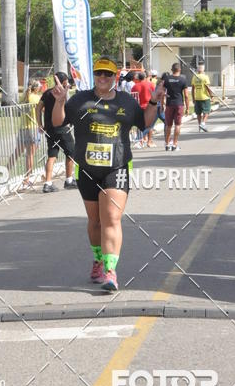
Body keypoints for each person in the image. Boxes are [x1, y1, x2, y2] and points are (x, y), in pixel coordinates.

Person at [51, 57, 161, 293]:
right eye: (99, 73)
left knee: (111, 218)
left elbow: (144, 123)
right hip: (86, 169)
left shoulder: (126, 102)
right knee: (95, 221)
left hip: (117, 167)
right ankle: (98, 259)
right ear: (94, 75)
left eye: (108, 74)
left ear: (115, 77)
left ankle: (111, 272)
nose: (103, 77)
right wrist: (60, 102)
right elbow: (58, 123)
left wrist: (153, 100)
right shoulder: (81, 100)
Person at [37, 72, 76, 193]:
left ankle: (48, 183)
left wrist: (40, 124)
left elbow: (38, 108)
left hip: (49, 128)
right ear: (63, 81)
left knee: (52, 155)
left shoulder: (47, 93)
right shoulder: (63, 93)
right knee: (71, 153)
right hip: (62, 127)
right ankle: (69, 180)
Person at [8, 80, 42, 184]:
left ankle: (6, 172)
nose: (40, 88)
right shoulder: (37, 98)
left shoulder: (23, 97)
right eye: (39, 87)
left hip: (22, 127)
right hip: (33, 128)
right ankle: (27, 178)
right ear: (36, 88)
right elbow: (43, 110)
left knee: (17, 152)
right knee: (30, 154)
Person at [158, 62, 190, 151]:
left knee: (168, 125)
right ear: (179, 70)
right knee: (178, 124)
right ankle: (175, 145)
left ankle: (167, 144)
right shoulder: (183, 80)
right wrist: (187, 108)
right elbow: (186, 95)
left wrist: (161, 105)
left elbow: (162, 93)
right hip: (179, 104)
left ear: (172, 70)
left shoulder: (167, 79)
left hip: (169, 104)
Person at [132, 71, 155, 147]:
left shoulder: (135, 86)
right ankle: (149, 141)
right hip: (149, 107)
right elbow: (154, 95)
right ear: (145, 77)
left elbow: (133, 98)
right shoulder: (151, 84)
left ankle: (142, 140)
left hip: (139, 107)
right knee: (150, 125)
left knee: (140, 125)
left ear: (138, 78)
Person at [191, 60, 215, 132]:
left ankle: (200, 127)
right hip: (205, 97)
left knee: (198, 113)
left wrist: (193, 98)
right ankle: (203, 123)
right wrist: (211, 96)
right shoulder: (205, 77)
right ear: (203, 69)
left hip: (197, 97)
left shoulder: (194, 77)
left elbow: (192, 89)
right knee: (207, 111)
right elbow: (208, 87)